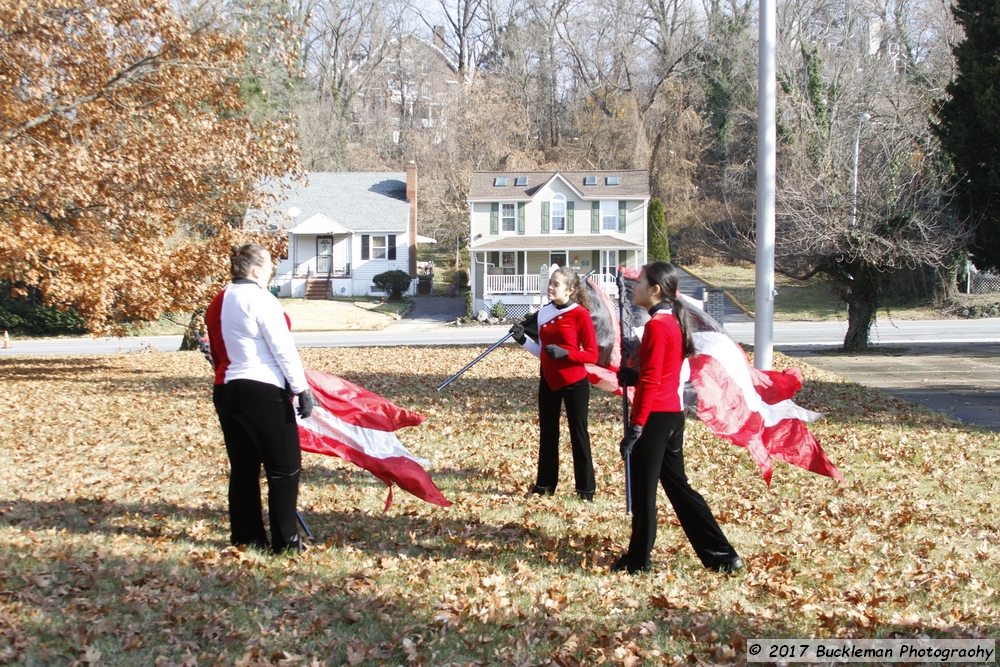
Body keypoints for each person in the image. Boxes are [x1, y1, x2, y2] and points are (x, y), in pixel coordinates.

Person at [612, 261, 742, 574]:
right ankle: (723, 556)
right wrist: (634, 373)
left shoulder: (657, 325)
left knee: (644, 492)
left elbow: (654, 378)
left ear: (655, 290)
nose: (635, 287)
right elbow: (660, 370)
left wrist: (637, 426)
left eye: (640, 282)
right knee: (680, 490)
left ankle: (638, 560)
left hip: (655, 417)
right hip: (671, 415)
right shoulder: (670, 321)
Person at [206, 243, 316, 554]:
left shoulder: (216, 302)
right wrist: (301, 388)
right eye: (268, 265)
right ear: (255, 270)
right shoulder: (260, 299)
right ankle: (286, 542)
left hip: (226, 390)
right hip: (262, 387)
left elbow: (216, 351)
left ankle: (247, 537)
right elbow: (282, 348)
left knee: (244, 468)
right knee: (284, 467)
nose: (271, 270)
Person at [509, 267, 599, 500]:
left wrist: (566, 354)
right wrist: (522, 340)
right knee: (548, 433)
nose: (550, 287)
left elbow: (592, 355)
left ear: (569, 290)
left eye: (556, 284)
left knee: (578, 434)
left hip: (575, 382)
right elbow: (542, 352)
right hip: (548, 380)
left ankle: (586, 490)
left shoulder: (580, 314)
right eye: (549, 282)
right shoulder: (543, 314)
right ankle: (545, 486)